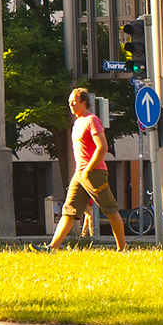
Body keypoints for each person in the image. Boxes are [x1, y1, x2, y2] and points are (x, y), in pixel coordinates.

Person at [50, 87, 127, 251]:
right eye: (69, 102)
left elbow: (102, 147)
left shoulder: (92, 120)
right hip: (80, 173)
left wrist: (89, 169)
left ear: (84, 103)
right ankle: (52, 248)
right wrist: (82, 171)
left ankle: (122, 249)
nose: (70, 105)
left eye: (74, 102)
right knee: (68, 211)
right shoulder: (77, 122)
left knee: (110, 209)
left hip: (94, 173)